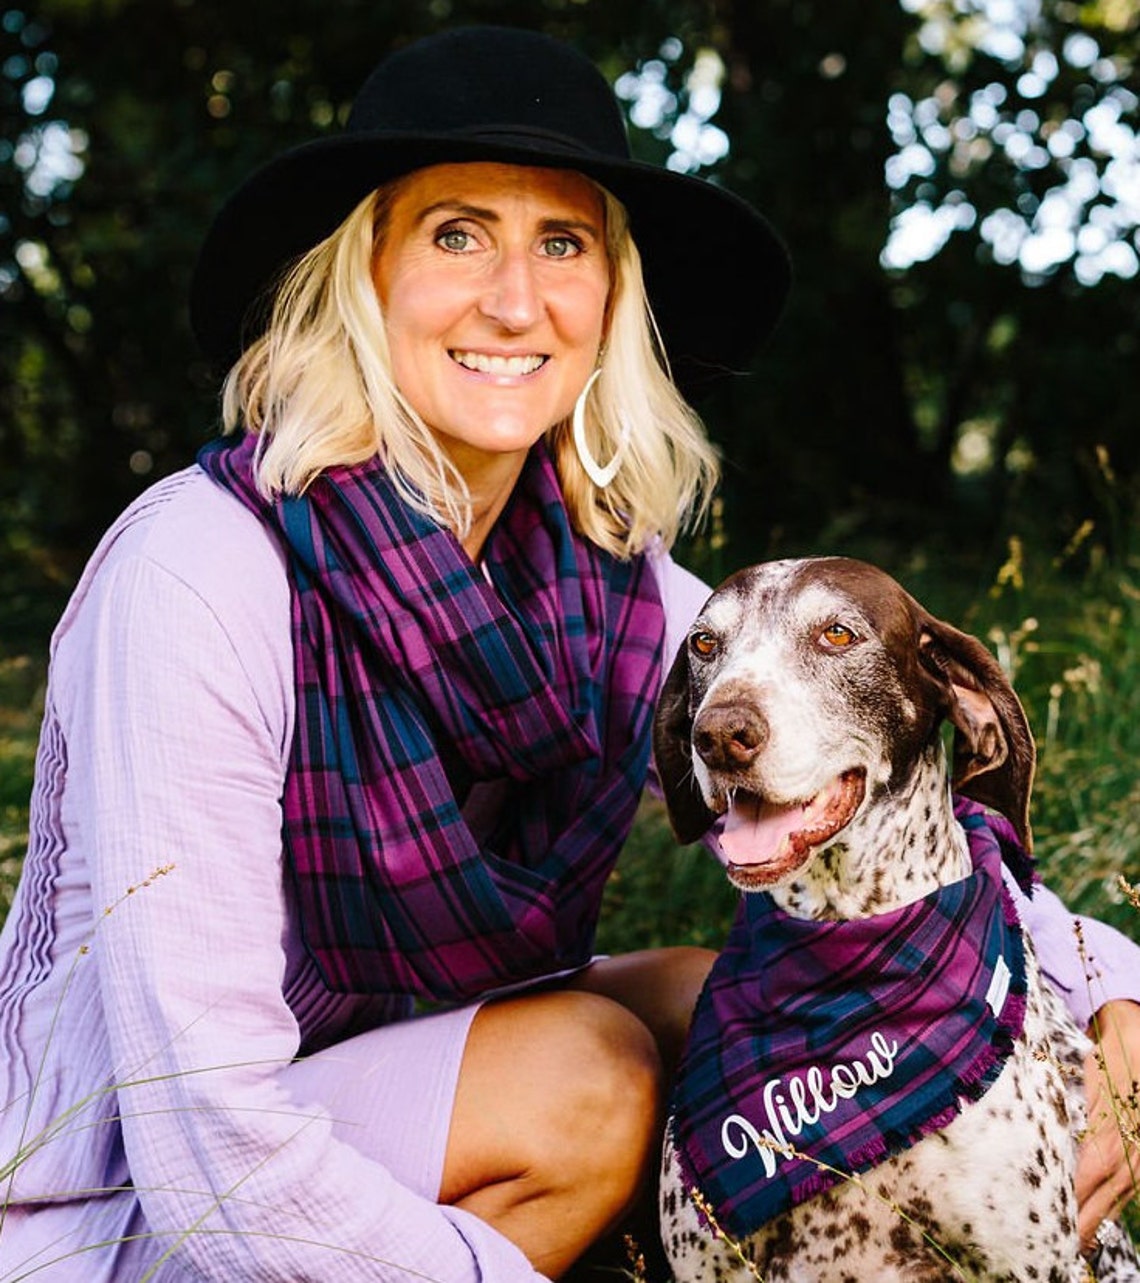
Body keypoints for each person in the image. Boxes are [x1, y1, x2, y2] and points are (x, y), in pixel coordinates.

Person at [0, 23, 1135, 1282]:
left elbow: (879, 804)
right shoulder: (201, 571)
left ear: (610, 297)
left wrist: (1110, 990)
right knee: (587, 1080)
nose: (514, 300)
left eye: (562, 243)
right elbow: (202, 1136)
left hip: (364, 1090)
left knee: (739, 1007)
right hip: (120, 1195)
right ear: (361, 277)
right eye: (456, 235)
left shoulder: (603, 587)